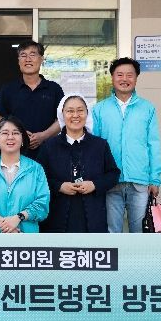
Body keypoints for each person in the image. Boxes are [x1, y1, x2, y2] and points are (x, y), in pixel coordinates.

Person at [92, 57, 161, 233]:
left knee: (138, 231)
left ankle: (138, 254)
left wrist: (154, 179)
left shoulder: (147, 108)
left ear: (136, 78)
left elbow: (153, 145)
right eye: (120, 74)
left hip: (139, 180)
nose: (124, 79)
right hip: (110, 181)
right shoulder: (99, 109)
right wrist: (97, 179)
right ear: (112, 77)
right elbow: (94, 147)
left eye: (129, 75)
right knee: (112, 231)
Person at [37, 94, 120, 232]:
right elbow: (38, 178)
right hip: (57, 216)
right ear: (62, 115)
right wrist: (59, 186)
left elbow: (113, 174)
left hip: (93, 216)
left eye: (80, 110)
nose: (75, 115)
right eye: (70, 111)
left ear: (87, 114)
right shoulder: (49, 146)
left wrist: (94, 185)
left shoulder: (100, 145)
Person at [0, 116, 50, 233]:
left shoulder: (36, 169)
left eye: (15, 133)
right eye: (5, 133)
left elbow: (42, 205)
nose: (10, 137)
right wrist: (2, 223)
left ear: (23, 139)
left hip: (26, 238)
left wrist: (19, 217)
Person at [0, 40, 64, 159]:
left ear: (41, 59)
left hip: (49, 153)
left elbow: (62, 119)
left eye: (32, 54)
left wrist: (43, 136)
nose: (28, 59)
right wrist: (17, 135)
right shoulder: (8, 89)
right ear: (18, 61)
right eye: (23, 55)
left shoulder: (54, 89)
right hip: (16, 154)